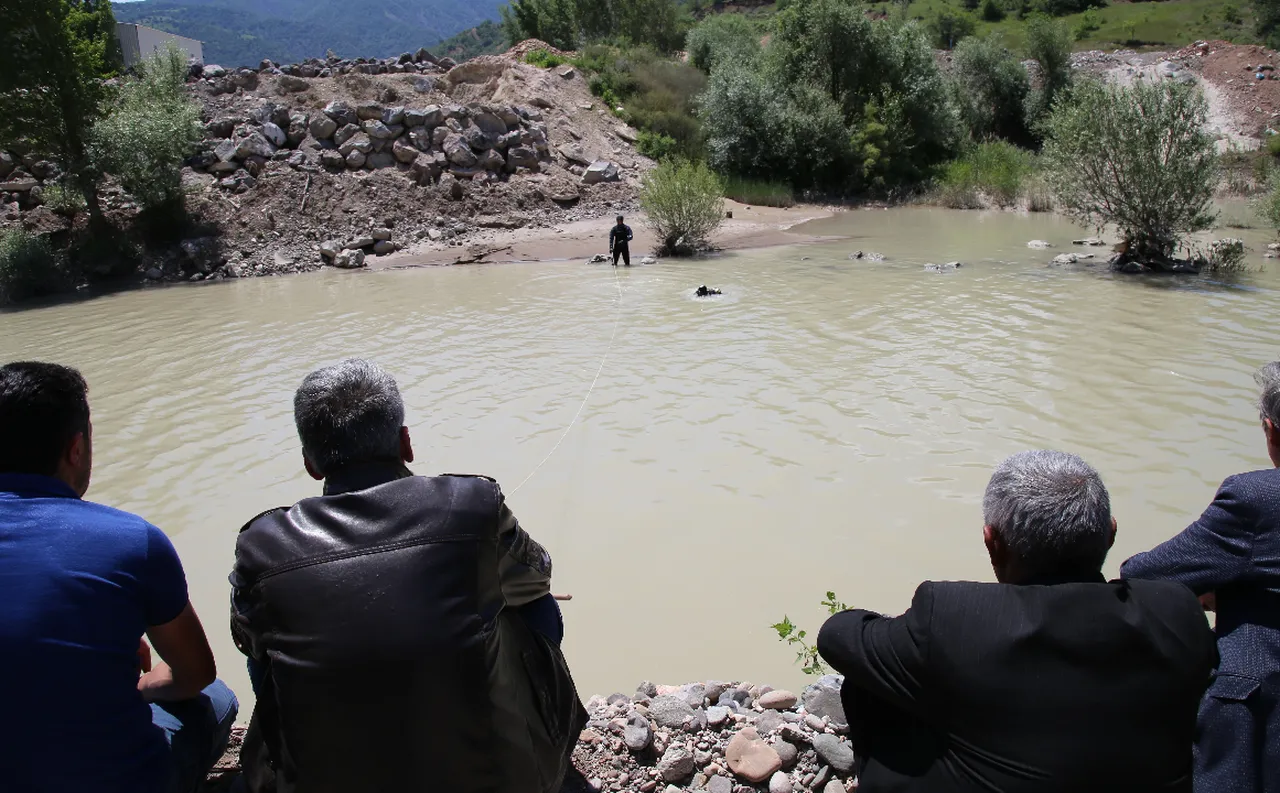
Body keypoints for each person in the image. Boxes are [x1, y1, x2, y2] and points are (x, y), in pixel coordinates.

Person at [231, 358, 586, 793]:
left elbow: (247, 640)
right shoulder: (473, 503)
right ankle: (540, 749)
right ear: (406, 443)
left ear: (310, 463)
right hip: (498, 782)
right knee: (533, 606)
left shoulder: (262, 545)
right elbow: (537, 577)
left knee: (265, 648)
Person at [817, 450, 1216, 793]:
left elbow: (838, 636)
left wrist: (912, 634)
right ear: (1111, 534)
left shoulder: (957, 617)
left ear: (992, 542)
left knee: (874, 682)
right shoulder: (1176, 610)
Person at [0, 361, 237, 793]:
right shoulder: (130, 539)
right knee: (217, 698)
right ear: (76, 448)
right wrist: (140, 684)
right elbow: (195, 672)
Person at [1122, 361, 1280, 793]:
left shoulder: (1258, 498)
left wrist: (1219, 587)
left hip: (1257, 730)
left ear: (1270, 429)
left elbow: (1144, 574)